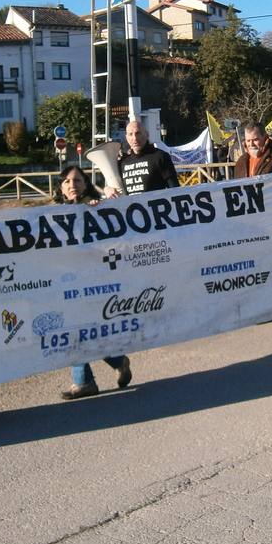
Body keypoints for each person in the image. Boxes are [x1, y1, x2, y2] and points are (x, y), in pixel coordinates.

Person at [55, 165, 134, 399]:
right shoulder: (51, 213)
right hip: (66, 281)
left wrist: (104, 201)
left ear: (86, 183)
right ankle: (114, 363)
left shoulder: (96, 206)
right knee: (78, 330)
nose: (72, 185)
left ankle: (87, 380)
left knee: (83, 330)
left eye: (77, 181)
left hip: (94, 280)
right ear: (60, 186)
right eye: (67, 181)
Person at [105, 120, 179, 196]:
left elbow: (175, 190)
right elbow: (114, 186)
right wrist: (107, 189)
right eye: (130, 134)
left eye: (138, 133)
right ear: (126, 137)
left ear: (147, 134)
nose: (135, 138)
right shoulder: (122, 162)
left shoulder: (160, 157)